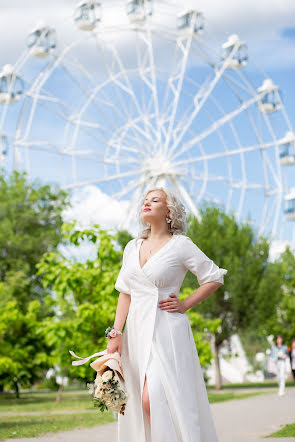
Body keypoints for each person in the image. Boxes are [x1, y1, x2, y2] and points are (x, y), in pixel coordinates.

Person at [106, 186, 228, 442]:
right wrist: (115, 333)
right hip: (136, 334)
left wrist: (185, 303)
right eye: (145, 200)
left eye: (155, 200)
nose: (146, 203)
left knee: (156, 398)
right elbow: (125, 292)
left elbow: (213, 277)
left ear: (169, 211)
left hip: (167, 330)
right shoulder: (132, 247)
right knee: (140, 402)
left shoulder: (181, 245)